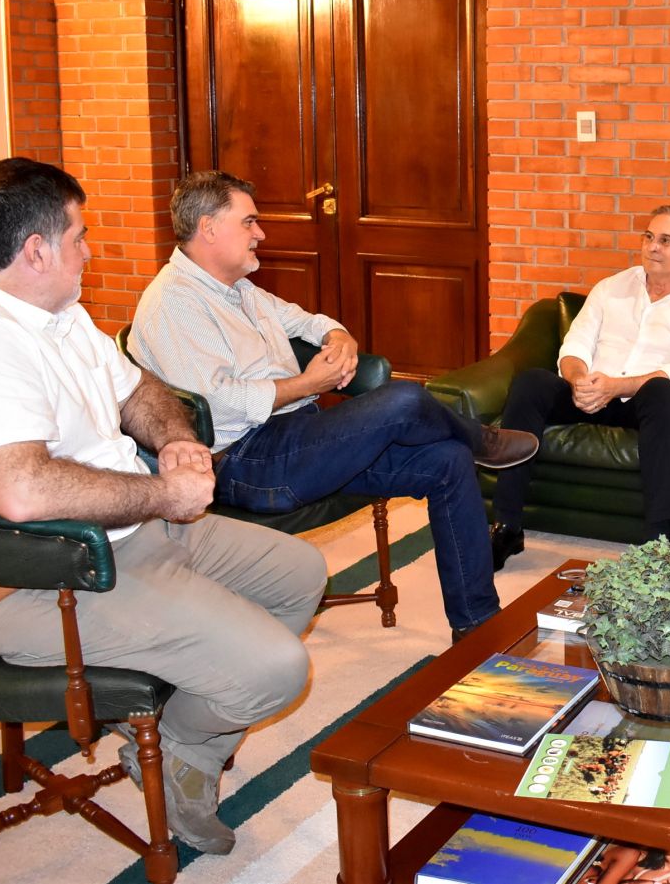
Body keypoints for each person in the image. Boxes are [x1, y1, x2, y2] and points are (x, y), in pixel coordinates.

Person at [0, 158, 327, 855]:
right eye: (80, 236)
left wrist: (175, 439)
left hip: (123, 540)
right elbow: (24, 490)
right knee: (277, 670)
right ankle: (188, 743)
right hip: (43, 583)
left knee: (300, 574)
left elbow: (138, 388)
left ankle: (183, 746)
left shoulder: (55, 315)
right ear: (37, 250)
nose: (90, 251)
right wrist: (164, 492)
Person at [129, 171, 535, 640]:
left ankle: (477, 627)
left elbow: (305, 321)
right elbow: (220, 404)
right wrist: (308, 383)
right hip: (246, 461)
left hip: (298, 438)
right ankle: (482, 439)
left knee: (448, 459)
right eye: (249, 222)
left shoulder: (237, 288)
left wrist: (338, 336)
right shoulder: (174, 303)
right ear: (209, 228)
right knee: (405, 397)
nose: (261, 233)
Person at [488, 205, 670, 563]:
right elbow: (575, 345)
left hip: (643, 405)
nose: (652, 247)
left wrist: (616, 386)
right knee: (531, 383)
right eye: (648, 237)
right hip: (588, 393)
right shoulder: (611, 288)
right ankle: (507, 526)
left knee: (664, 391)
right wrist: (579, 380)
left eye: (665, 240)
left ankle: (658, 542)